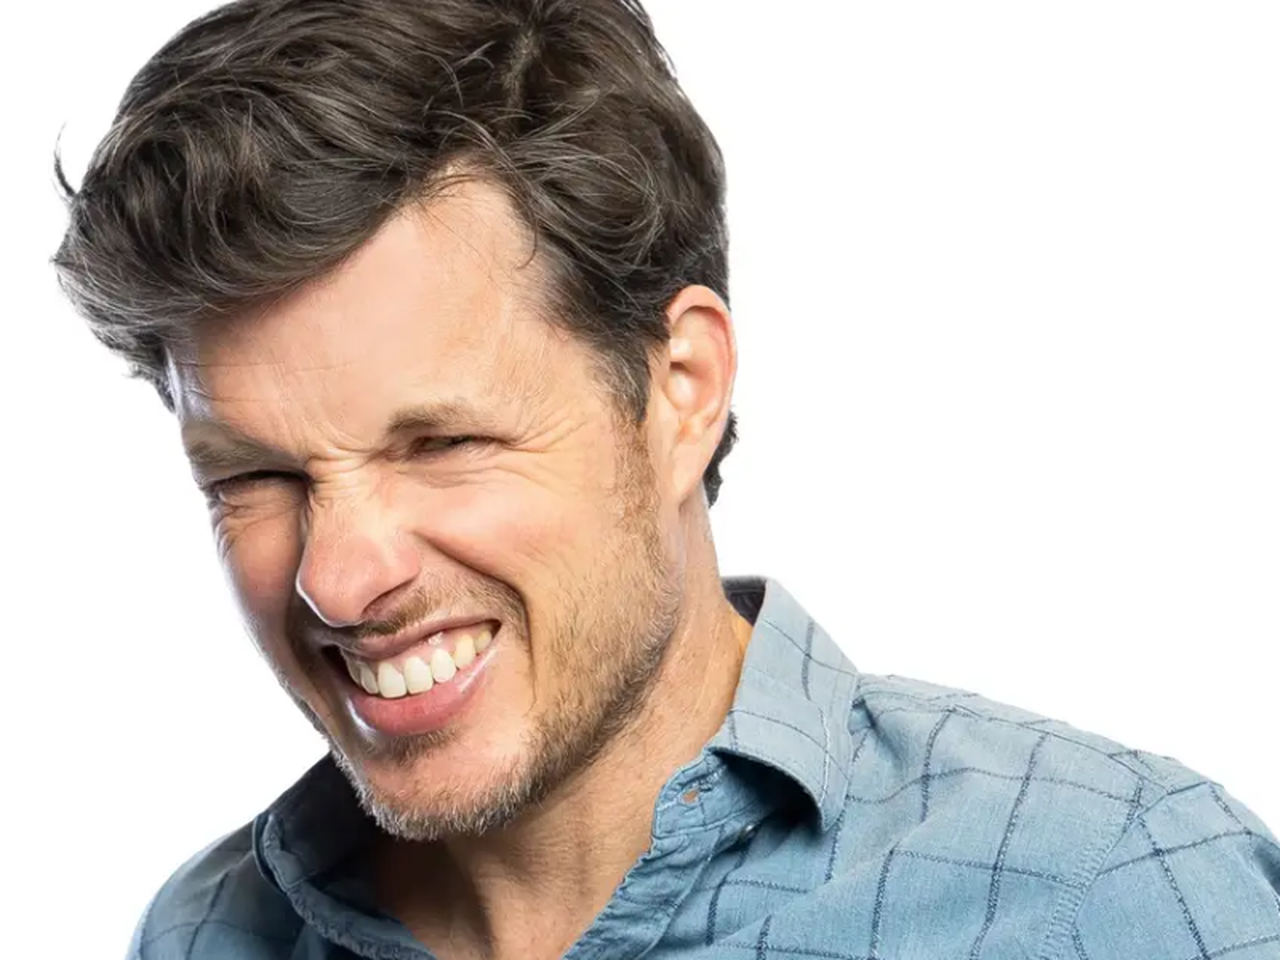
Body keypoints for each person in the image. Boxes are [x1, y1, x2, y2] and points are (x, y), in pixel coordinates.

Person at [54, 1, 1280, 958]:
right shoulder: (204, 934)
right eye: (257, 475)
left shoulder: (1115, 891)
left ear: (681, 388)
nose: (336, 578)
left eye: (440, 444)